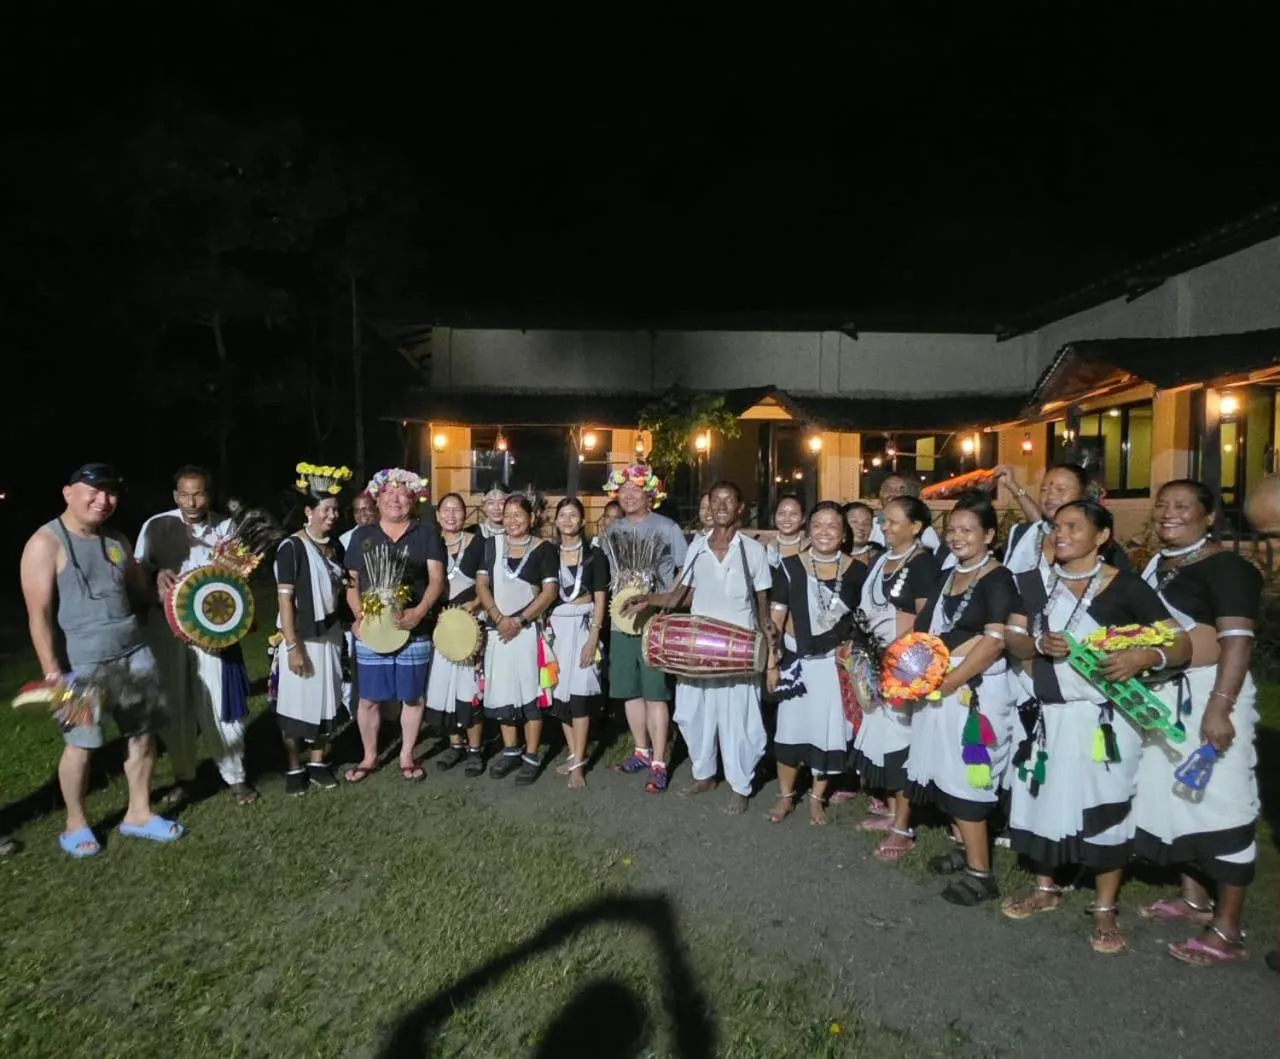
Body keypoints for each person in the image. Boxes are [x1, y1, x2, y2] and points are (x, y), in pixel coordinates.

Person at [1002, 500, 1190, 955]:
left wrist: (1144, 656)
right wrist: (1036, 645)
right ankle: (1045, 887)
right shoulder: (1036, 583)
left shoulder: (1125, 587)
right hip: (1048, 715)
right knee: (1041, 798)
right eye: (1056, 527)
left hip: (1104, 720)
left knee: (1106, 806)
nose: (1060, 534)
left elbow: (1180, 644)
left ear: (1102, 536)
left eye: (1073, 526)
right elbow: (1014, 638)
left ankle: (1105, 908)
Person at [19, 463, 183, 856]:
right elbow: (38, 615)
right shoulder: (46, 543)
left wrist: (162, 582)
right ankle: (75, 824)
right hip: (82, 666)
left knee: (143, 735)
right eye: (93, 490)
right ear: (67, 493)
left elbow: (141, 591)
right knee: (82, 745)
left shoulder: (116, 539)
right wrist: (53, 673)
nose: (103, 500)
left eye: (110, 493)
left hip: (134, 654)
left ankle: (139, 814)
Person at [1131, 480, 1263, 966]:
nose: (1168, 514)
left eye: (1182, 507)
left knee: (1221, 804)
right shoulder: (1158, 564)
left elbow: (1237, 643)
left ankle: (1227, 931)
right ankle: (1193, 900)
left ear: (1209, 517)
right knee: (1176, 798)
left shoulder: (1228, 568)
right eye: (1162, 505)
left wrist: (1219, 707)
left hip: (1208, 698)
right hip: (1163, 698)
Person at [627, 481, 775, 814]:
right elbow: (683, 596)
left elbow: (763, 606)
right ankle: (704, 773)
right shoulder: (696, 546)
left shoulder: (754, 550)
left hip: (737, 650)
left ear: (740, 507)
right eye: (714, 500)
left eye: (729, 499)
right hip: (696, 650)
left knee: (740, 720)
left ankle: (740, 784)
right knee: (694, 715)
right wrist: (649, 599)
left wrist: (770, 653)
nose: (721, 505)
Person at [903, 493, 1018, 902]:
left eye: (968, 530)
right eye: (952, 530)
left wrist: (950, 683)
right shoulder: (949, 573)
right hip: (940, 684)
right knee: (942, 770)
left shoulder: (997, 578)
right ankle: (961, 846)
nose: (957, 537)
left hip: (974, 692)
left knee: (968, 777)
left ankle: (981, 872)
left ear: (989, 534)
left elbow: (994, 642)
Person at [135, 465, 255, 806]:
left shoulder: (227, 527)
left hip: (213, 634)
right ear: (175, 496)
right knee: (176, 705)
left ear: (209, 494)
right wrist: (156, 576)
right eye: (185, 494)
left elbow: (239, 579)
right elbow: (137, 575)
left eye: (199, 493)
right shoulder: (156, 526)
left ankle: (236, 777)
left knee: (221, 704)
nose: (192, 500)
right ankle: (183, 776)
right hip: (166, 632)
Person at [767, 501, 867, 824]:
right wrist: (772, 663)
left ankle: (816, 798)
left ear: (842, 535)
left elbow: (860, 622)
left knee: (827, 733)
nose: (824, 532)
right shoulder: (790, 566)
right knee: (789, 730)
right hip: (798, 663)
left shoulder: (857, 572)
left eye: (832, 527)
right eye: (818, 525)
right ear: (809, 530)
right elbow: (776, 619)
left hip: (834, 666)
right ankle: (785, 797)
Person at [344, 468, 446, 784]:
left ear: (413, 499)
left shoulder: (426, 533)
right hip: (372, 631)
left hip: (413, 629)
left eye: (403, 494)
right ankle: (370, 756)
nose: (395, 500)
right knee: (369, 698)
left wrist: (420, 611)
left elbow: (436, 580)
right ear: (378, 499)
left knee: (412, 696)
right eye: (389, 494)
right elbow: (351, 583)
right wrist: (360, 616)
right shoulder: (363, 535)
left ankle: (406, 756)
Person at [851, 495, 941, 844]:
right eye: (882, 520)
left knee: (901, 742)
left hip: (904, 665)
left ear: (916, 527)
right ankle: (891, 811)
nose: (883, 526)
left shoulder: (922, 564)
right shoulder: (882, 559)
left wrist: (895, 658)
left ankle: (903, 827)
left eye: (891, 521)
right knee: (883, 739)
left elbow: (923, 619)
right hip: (875, 659)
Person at [602, 464, 688, 794]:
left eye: (635, 490)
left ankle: (660, 761)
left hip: (655, 619)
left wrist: (664, 600)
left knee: (655, 692)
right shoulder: (613, 531)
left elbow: (683, 572)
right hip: (622, 620)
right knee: (629, 689)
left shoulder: (667, 527)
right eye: (623, 491)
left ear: (649, 495)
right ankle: (641, 749)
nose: (628, 495)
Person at [274, 467, 349, 795]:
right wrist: (292, 647)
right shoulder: (291, 547)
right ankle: (294, 767)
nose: (332, 516)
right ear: (308, 512)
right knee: (295, 705)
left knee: (325, 701)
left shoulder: (335, 548)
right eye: (325, 510)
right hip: (301, 637)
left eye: (335, 509)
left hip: (330, 636)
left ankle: (318, 762)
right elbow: (285, 601)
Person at [475, 495, 559, 783]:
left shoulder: (544, 549)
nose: (512, 520)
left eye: (518, 515)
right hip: (498, 630)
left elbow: (549, 592)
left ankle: (532, 754)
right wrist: (498, 618)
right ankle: (511, 749)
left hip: (526, 631)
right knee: (503, 691)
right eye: (508, 515)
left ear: (531, 518)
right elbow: (482, 585)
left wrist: (520, 620)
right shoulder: (491, 546)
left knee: (529, 691)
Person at [547, 498, 609, 788]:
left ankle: (580, 765)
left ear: (583, 521)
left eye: (574, 515)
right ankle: (573, 754)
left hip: (584, 627)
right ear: (556, 521)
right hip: (557, 628)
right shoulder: (548, 554)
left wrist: (593, 637)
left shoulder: (594, 555)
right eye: (563, 515)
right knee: (562, 694)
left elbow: (600, 598)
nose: (568, 520)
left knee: (581, 694)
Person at [425, 492, 487, 776]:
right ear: (437, 515)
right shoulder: (430, 543)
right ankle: (455, 744)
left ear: (465, 515)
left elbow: (488, 582)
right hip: (441, 624)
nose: (451, 515)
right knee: (445, 687)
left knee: (469, 687)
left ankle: (475, 748)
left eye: (457, 510)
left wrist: (473, 606)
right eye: (446, 510)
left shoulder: (478, 542)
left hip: (471, 620)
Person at [994, 463, 1130, 573]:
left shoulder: (1102, 547)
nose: (1050, 496)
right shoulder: (1023, 535)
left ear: (1083, 496)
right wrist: (1011, 484)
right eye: (1044, 489)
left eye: (1061, 489)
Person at [338, 491, 377, 711]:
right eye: (357, 510)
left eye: (367, 509)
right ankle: (354, 709)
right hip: (354, 613)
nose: (362, 514)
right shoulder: (345, 540)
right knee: (355, 665)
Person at [869, 475, 941, 553]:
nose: (892, 493)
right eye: (887, 488)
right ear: (881, 494)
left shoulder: (922, 529)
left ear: (909, 496)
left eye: (900, 489)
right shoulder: (869, 525)